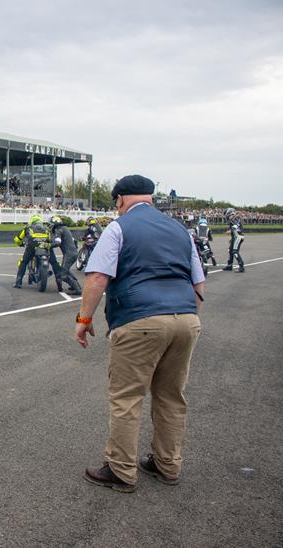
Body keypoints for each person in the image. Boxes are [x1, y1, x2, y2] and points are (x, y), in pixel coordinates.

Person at [75, 174, 204, 493]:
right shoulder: (180, 230)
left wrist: (84, 318)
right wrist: (186, 317)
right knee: (172, 396)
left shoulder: (118, 227)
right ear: (149, 198)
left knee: (127, 397)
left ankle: (121, 469)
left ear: (120, 200)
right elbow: (198, 282)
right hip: (185, 318)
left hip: (139, 318)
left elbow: (97, 278)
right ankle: (167, 464)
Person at [12, 213, 50, 288]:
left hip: (32, 246)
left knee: (23, 262)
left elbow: (17, 239)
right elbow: (50, 239)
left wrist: (20, 244)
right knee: (51, 260)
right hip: (43, 247)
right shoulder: (46, 229)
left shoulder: (28, 227)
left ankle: (18, 282)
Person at [48, 216, 82, 294]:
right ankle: (76, 286)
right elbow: (74, 240)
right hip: (74, 253)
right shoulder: (66, 228)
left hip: (68, 254)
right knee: (67, 271)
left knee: (63, 275)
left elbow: (57, 242)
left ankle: (77, 290)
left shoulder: (58, 230)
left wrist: (48, 245)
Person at [222, 207, 245, 272]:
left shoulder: (236, 218)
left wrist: (230, 231)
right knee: (230, 250)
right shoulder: (233, 219)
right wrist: (232, 239)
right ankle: (229, 265)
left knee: (235, 251)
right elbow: (235, 229)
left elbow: (236, 227)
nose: (227, 217)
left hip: (238, 237)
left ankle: (241, 266)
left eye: (228, 215)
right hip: (235, 237)